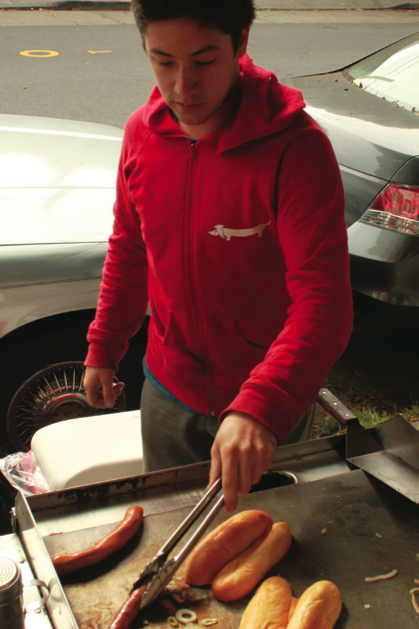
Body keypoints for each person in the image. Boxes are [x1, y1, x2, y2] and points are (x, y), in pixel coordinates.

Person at [83, 0, 353, 513]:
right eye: (163, 61)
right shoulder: (141, 133)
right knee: (166, 531)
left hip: (266, 392)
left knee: (265, 533)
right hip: (166, 384)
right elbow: (131, 247)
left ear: (241, 43)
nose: (183, 87)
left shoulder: (297, 149)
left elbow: (326, 303)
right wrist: (104, 345)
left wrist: (261, 407)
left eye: (204, 61)